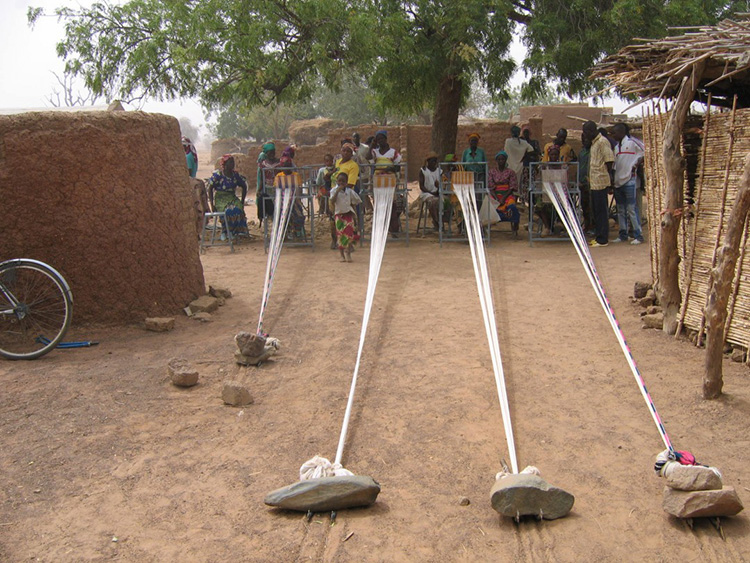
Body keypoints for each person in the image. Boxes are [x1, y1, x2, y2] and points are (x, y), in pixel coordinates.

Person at [611, 122, 645, 245]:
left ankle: (638, 235)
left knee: (631, 208)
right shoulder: (616, 147)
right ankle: (623, 234)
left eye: (614, 132)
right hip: (618, 181)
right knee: (620, 209)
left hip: (630, 180)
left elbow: (645, 152)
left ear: (621, 132)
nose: (613, 135)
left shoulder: (632, 143)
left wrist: (636, 164)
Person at [584, 121, 615, 247]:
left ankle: (603, 239)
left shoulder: (602, 142)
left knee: (601, 211)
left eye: (586, 132)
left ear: (591, 130)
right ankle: (599, 236)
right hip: (594, 182)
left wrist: (609, 179)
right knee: (596, 211)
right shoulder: (594, 143)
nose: (585, 135)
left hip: (601, 182)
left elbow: (609, 160)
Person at [369, 130, 404, 235]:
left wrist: (390, 168)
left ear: (386, 139)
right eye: (378, 139)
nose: (380, 141)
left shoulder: (393, 152)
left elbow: (398, 167)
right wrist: (372, 145)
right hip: (378, 182)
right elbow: (368, 158)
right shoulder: (375, 152)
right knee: (379, 205)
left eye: (382, 138)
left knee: (391, 205)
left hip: (389, 180)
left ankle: (393, 229)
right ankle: (381, 230)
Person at [206, 154, 249, 239]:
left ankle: (237, 231)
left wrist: (242, 201)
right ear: (225, 164)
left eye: (233, 162)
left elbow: (244, 186)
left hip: (232, 197)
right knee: (228, 211)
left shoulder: (235, 175)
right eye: (230, 162)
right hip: (221, 198)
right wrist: (212, 204)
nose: (233, 164)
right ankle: (225, 231)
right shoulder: (218, 175)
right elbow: (210, 188)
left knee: (238, 209)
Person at [329, 172, 362, 262]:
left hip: (348, 214)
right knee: (340, 235)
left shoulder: (350, 191)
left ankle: (348, 253)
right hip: (339, 216)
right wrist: (337, 191)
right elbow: (332, 200)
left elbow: (356, 201)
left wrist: (355, 215)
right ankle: (342, 255)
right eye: (339, 181)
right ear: (337, 181)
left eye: (343, 181)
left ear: (346, 182)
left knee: (349, 235)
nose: (341, 183)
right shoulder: (333, 190)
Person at [488, 151, 520, 238]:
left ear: (505, 160)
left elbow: (512, 186)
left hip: (507, 194)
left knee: (512, 207)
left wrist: (503, 198)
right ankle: (487, 225)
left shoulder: (511, 172)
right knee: (488, 206)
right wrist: (496, 198)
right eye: (499, 159)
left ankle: (515, 226)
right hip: (495, 194)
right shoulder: (491, 172)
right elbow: (490, 186)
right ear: (496, 161)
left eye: (502, 159)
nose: (501, 161)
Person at [274, 155, 306, 240]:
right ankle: (285, 233)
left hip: (294, 201)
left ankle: (296, 232)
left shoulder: (296, 175)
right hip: (282, 202)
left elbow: (299, 190)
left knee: (298, 215)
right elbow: (277, 191)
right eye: (285, 166)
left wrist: (295, 199)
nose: (287, 168)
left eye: (288, 165)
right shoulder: (279, 176)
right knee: (281, 215)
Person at [418, 151, 445, 230]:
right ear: (428, 162)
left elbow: (442, 184)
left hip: (437, 192)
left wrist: (438, 188)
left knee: (446, 202)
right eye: (432, 161)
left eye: (435, 161)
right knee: (433, 202)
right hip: (426, 193)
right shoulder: (423, 171)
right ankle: (436, 221)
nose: (434, 162)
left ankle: (442, 221)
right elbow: (421, 186)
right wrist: (431, 192)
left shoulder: (439, 171)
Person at [257, 142, 280, 220]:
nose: (272, 154)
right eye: (270, 152)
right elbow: (262, 178)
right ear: (266, 153)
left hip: (278, 188)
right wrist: (259, 190)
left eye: (273, 151)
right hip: (268, 189)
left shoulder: (279, 162)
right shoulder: (263, 164)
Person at [577, 133, 593, 233]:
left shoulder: (592, 152)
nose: (585, 141)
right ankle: (587, 226)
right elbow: (578, 166)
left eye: (587, 139)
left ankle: (592, 227)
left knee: (592, 207)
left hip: (591, 183)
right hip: (582, 183)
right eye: (583, 139)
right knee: (584, 206)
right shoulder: (581, 152)